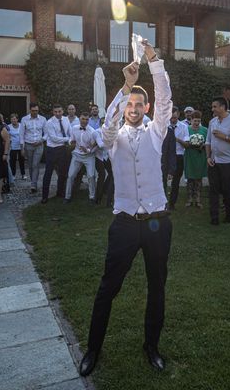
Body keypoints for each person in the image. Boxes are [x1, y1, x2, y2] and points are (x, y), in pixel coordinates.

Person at [80, 41, 172, 377]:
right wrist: (124, 86)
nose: (133, 108)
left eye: (138, 104)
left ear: (146, 109)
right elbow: (107, 124)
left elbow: (165, 100)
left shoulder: (157, 132)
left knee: (156, 286)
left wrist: (154, 62)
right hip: (124, 224)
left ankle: (152, 347)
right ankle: (93, 349)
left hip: (158, 223)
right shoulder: (112, 137)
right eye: (129, 104)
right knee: (108, 287)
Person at [204, 97, 230, 225]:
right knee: (213, 190)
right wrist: (208, 157)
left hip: (228, 162)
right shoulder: (213, 122)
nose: (212, 109)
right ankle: (214, 217)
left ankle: (229, 215)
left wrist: (224, 136)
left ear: (222, 107)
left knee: (227, 189)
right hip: (214, 161)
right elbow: (208, 141)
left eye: (214, 106)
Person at [65, 112, 98, 203]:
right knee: (70, 175)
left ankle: (92, 197)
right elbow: (71, 139)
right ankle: (67, 197)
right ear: (79, 119)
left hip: (88, 156)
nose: (85, 121)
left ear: (89, 120)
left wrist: (87, 150)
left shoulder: (92, 131)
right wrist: (71, 143)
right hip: (76, 155)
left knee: (91, 176)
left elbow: (94, 146)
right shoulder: (74, 128)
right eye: (83, 119)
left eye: (87, 119)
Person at [42, 104, 71, 203]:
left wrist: (69, 139)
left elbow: (70, 133)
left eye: (59, 111)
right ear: (53, 112)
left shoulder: (66, 120)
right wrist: (67, 139)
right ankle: (44, 196)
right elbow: (54, 138)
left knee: (62, 172)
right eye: (55, 112)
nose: (58, 113)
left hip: (62, 149)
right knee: (48, 173)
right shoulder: (49, 122)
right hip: (51, 150)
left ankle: (60, 192)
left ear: (63, 111)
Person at [20, 103, 47, 194]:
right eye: (33, 110)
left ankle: (33, 184)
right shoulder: (24, 119)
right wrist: (22, 147)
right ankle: (33, 182)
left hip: (39, 145)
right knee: (31, 165)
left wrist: (41, 140)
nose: (35, 112)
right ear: (30, 110)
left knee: (35, 164)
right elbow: (21, 134)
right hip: (28, 145)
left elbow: (47, 133)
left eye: (36, 110)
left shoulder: (43, 119)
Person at [166, 107, 189, 210]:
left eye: (174, 117)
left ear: (178, 115)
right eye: (171, 117)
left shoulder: (184, 127)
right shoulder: (164, 126)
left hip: (179, 155)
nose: (172, 120)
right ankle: (162, 203)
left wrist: (175, 139)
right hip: (166, 156)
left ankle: (172, 203)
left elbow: (186, 144)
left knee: (176, 182)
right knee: (162, 179)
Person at [183, 110, 208, 208]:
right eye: (195, 121)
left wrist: (203, 145)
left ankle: (198, 199)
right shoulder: (186, 129)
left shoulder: (205, 130)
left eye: (198, 121)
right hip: (189, 155)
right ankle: (189, 199)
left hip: (200, 156)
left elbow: (208, 142)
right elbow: (185, 142)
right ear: (191, 120)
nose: (197, 123)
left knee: (198, 178)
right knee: (190, 178)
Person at [161, 110, 177, 205]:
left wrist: (171, 170)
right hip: (149, 165)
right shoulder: (148, 130)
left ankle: (162, 207)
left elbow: (172, 152)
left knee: (162, 187)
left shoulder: (170, 132)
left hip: (163, 165)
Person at [8, 113, 26, 179]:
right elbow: (8, 136)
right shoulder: (8, 127)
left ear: (17, 119)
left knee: (22, 161)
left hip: (21, 146)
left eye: (14, 119)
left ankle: (23, 174)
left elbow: (24, 134)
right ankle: (13, 175)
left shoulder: (21, 126)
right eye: (12, 119)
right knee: (12, 161)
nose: (13, 120)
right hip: (13, 147)